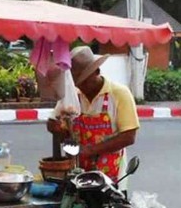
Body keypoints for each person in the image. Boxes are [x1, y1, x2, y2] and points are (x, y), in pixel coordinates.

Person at [46, 45, 139, 180]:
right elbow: (59, 127)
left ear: (97, 71)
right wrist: (54, 127)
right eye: (77, 82)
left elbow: (129, 136)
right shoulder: (73, 96)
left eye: (85, 81)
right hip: (77, 171)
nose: (81, 86)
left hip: (110, 174)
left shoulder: (119, 93)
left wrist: (90, 150)